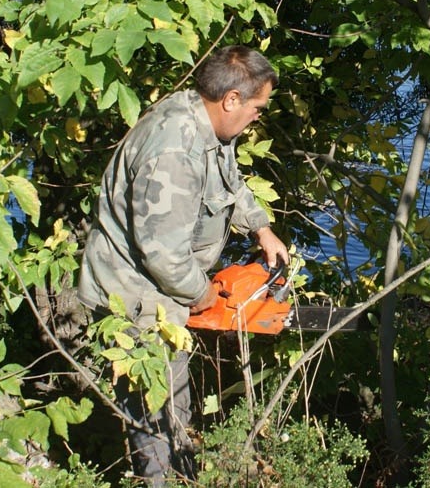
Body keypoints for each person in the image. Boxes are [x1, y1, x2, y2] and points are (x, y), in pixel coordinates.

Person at [77, 45, 289, 485]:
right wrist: (206, 296)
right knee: (159, 415)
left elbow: (229, 181)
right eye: (256, 107)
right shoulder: (175, 150)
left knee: (174, 407)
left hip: (160, 287)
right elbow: (164, 254)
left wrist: (260, 228)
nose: (257, 117)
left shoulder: (207, 124)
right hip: (135, 297)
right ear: (231, 99)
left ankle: (179, 474)